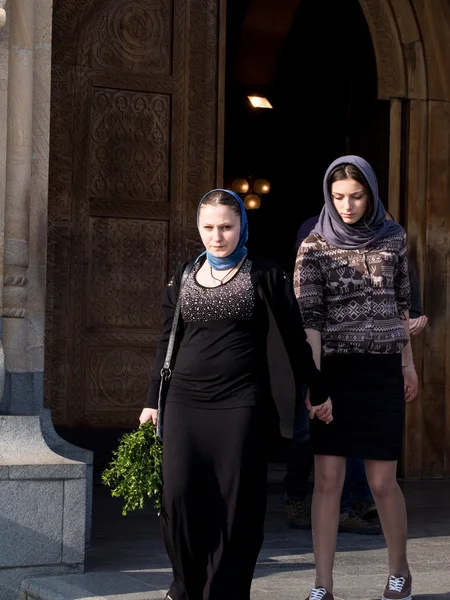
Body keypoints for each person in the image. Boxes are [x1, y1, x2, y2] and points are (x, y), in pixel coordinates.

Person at [139, 188, 331, 600]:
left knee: (236, 502)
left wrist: (317, 390)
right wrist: (152, 400)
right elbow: (166, 340)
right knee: (178, 499)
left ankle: (224, 591)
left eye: (226, 226)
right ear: (199, 228)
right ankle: (186, 587)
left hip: (240, 402)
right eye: (208, 227)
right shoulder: (185, 274)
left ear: (242, 225)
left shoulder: (264, 273)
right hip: (184, 403)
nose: (217, 235)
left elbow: (296, 340)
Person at [295, 156, 418, 600]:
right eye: (338, 197)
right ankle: (322, 585)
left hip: (383, 372)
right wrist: (316, 384)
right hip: (336, 373)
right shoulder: (313, 246)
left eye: (356, 196)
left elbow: (401, 307)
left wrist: (408, 365)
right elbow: (310, 321)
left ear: (371, 193)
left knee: (383, 482)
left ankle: (399, 571)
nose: (347, 205)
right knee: (327, 481)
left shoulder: (394, 237)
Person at [285, 217, 380, 535]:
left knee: (350, 428)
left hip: (351, 349)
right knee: (305, 430)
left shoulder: (371, 232)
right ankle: (296, 498)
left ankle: (355, 502)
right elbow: (305, 303)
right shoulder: (310, 230)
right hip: (313, 347)